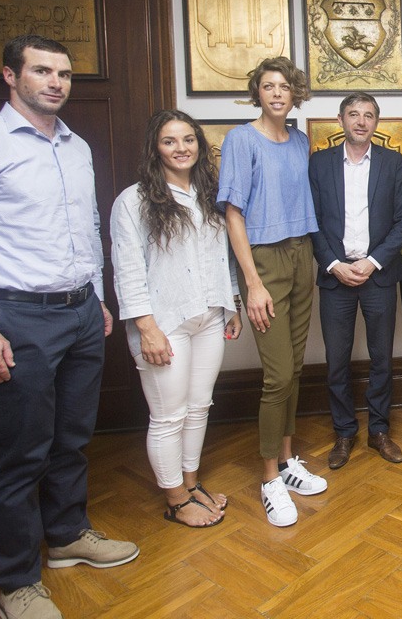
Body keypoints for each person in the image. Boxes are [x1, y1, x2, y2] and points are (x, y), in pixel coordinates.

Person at [0, 34, 138, 619]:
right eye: (41, 71)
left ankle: (66, 536)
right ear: (11, 76)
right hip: (16, 318)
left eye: (64, 73)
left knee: (72, 438)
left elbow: (86, 227)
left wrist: (96, 297)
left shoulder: (75, 146)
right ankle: (16, 581)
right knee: (21, 454)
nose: (56, 82)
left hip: (80, 312)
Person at [111, 109, 242, 528]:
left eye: (188, 139)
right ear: (155, 148)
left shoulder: (209, 195)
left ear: (199, 145)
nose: (181, 148)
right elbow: (127, 269)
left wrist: (232, 303)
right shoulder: (133, 201)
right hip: (163, 323)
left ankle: (191, 483)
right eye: (169, 141)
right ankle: (175, 500)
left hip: (210, 316)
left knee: (199, 407)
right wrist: (146, 329)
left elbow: (223, 256)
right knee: (169, 416)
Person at [218, 56, 327, 528]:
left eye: (285, 86)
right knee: (277, 375)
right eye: (268, 86)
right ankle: (268, 479)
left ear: (295, 94)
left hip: (303, 253)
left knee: (295, 368)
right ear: (257, 93)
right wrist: (253, 283)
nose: (278, 93)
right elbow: (233, 213)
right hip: (265, 260)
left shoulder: (300, 141)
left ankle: (286, 461)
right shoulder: (241, 140)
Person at [310, 93, 402, 466]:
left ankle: (379, 431)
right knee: (337, 360)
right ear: (340, 120)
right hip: (335, 278)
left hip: (378, 277)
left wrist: (371, 263)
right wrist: (334, 264)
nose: (361, 121)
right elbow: (312, 221)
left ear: (376, 123)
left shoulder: (392, 162)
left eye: (368, 115)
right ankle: (343, 433)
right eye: (353, 114)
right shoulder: (320, 163)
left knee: (381, 358)